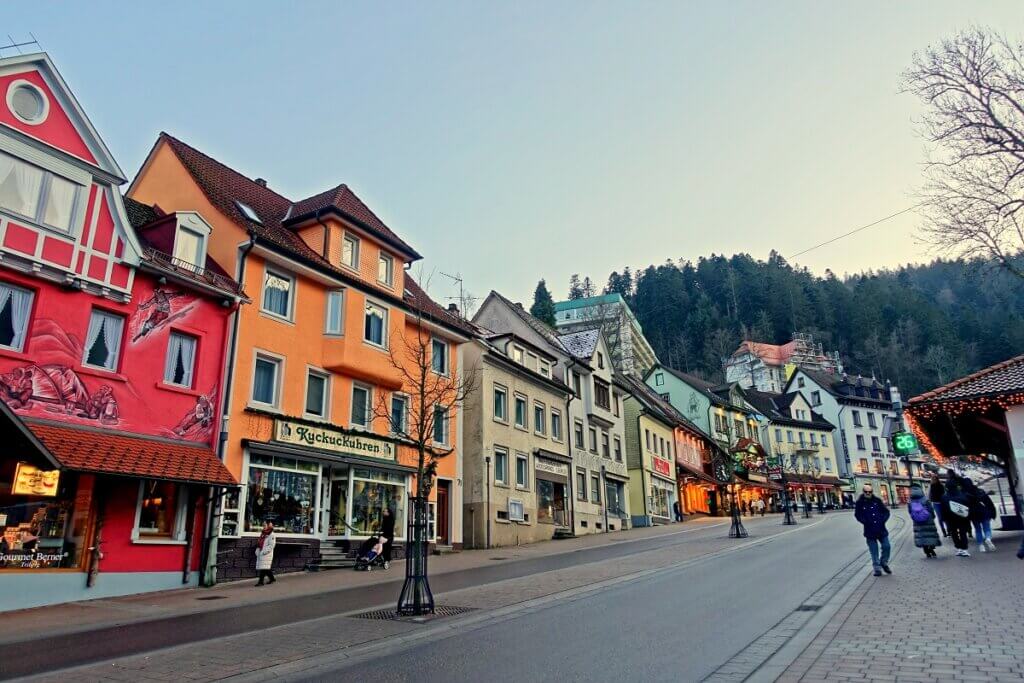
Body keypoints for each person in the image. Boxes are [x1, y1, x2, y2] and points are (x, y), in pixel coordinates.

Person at [855, 484, 892, 576]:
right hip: (869, 530)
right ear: (863, 492)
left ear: (872, 492)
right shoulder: (860, 502)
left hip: (881, 529)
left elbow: (886, 512)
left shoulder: (877, 501)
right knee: (874, 550)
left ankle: (883, 562)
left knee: (887, 546)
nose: (868, 493)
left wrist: (882, 520)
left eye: (870, 492)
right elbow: (857, 515)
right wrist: (865, 521)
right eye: (866, 492)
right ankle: (877, 568)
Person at [943, 471, 974, 557]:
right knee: (963, 532)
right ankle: (964, 549)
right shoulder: (962, 495)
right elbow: (968, 505)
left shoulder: (945, 497)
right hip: (962, 517)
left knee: (954, 533)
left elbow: (943, 509)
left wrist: (944, 518)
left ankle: (959, 548)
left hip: (950, 518)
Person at [908, 483, 941, 558]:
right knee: (930, 534)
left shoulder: (910, 501)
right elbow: (930, 509)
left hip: (917, 521)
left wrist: (914, 517)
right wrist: (932, 516)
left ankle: (926, 551)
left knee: (922, 535)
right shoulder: (925, 498)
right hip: (928, 518)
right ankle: (932, 549)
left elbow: (910, 511)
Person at [966, 482, 997, 553]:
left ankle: (981, 546)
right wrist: (993, 513)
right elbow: (989, 503)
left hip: (974, 515)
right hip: (984, 513)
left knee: (978, 530)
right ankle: (988, 538)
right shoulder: (981, 492)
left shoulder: (966, 495)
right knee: (987, 528)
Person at [254, 521, 276, 586]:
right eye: (263, 525)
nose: (263, 526)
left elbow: (271, 545)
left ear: (268, 525)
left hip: (266, 554)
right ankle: (272, 578)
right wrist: (258, 550)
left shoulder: (271, 534)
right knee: (265, 567)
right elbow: (259, 542)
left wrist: (264, 552)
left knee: (263, 568)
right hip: (261, 552)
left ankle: (261, 582)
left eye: (265, 525)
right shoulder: (263, 533)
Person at [929, 472, 947, 537]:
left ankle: (947, 530)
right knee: (941, 517)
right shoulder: (933, 486)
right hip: (938, 503)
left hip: (939, 503)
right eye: (933, 478)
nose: (934, 480)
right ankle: (944, 530)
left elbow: (930, 496)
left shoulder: (940, 486)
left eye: (934, 478)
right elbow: (930, 496)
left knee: (943, 517)